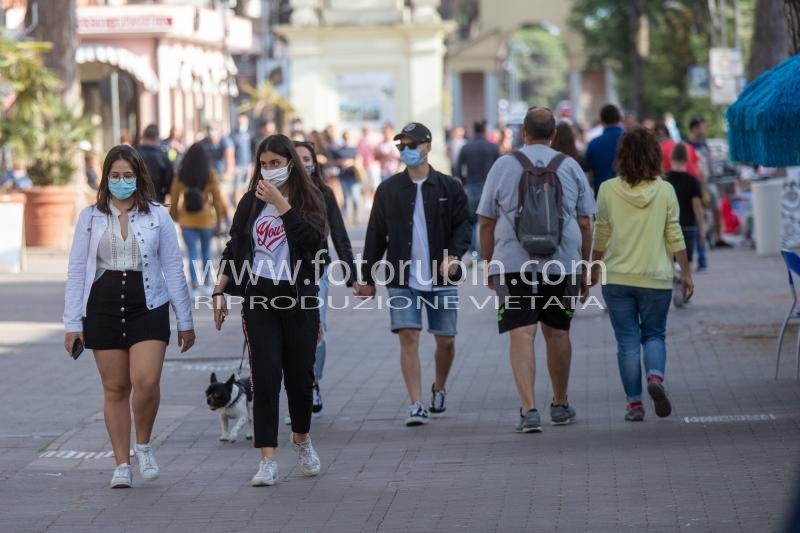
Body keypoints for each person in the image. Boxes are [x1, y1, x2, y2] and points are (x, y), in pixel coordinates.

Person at [63, 144, 195, 488]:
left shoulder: (157, 215)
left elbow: (173, 268)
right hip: (103, 304)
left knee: (146, 381)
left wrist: (185, 320)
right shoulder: (90, 217)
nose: (122, 181)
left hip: (148, 302)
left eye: (128, 175)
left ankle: (144, 444)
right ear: (106, 178)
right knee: (115, 387)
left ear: (139, 177)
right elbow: (77, 270)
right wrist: (72, 323)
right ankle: (121, 464)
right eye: (115, 175)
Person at [211, 134, 325, 486]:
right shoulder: (250, 202)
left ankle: (302, 440)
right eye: (264, 164)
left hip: (299, 299)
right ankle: (267, 458)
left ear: (291, 162)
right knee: (265, 377)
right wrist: (220, 289)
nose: (269, 170)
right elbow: (234, 247)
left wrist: (282, 204)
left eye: (276, 163)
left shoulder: (310, 199)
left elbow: (313, 244)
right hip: (259, 297)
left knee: (301, 380)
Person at [478, 106, 595, 433]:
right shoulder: (570, 166)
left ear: (523, 133)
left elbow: (486, 222)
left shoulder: (503, 165)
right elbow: (586, 222)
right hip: (562, 263)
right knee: (558, 331)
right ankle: (559, 403)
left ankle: (528, 410)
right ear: (554, 134)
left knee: (521, 331)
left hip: (513, 264)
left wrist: (490, 264)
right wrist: (584, 267)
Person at [356, 122, 471, 427]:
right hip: (402, 277)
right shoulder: (389, 189)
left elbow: (464, 225)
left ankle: (439, 387)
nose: (406, 151)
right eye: (401, 146)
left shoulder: (449, 187)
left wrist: (455, 256)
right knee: (408, 336)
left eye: (412, 145)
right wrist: (366, 277)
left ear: (428, 146)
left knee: (445, 340)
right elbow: (375, 234)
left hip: (442, 277)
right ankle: (416, 403)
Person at [590, 127, 693, 422]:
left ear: (621, 156)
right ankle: (656, 379)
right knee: (654, 335)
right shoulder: (666, 190)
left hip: (618, 278)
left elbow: (601, 234)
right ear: (654, 156)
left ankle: (634, 405)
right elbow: (675, 234)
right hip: (656, 278)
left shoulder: (608, 189)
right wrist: (685, 273)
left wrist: (593, 269)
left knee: (626, 342)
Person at [294, 140, 356, 415]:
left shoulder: (324, 194)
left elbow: (340, 235)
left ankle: (312, 384)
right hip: (280, 276)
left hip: (317, 271)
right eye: (296, 159)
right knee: (289, 334)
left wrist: (352, 275)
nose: (302, 164)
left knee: (317, 330)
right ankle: (297, 388)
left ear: (314, 163)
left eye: (307, 159)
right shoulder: (271, 194)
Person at [169, 142, 228, 295]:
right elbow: (216, 199)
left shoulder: (181, 174)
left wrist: (174, 216)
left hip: (186, 219)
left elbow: (174, 198)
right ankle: (208, 284)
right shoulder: (210, 173)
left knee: (192, 253)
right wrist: (219, 220)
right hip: (206, 219)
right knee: (207, 252)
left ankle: (194, 286)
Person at [455, 120, 500, 262]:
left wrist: (464, 182)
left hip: (471, 185)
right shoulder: (492, 147)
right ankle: (484, 255)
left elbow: (457, 169)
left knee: (472, 220)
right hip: (489, 186)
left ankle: (472, 252)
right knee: (487, 221)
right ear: (484, 130)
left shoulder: (466, 147)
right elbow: (499, 168)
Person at [686, 116, 728, 250]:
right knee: (699, 211)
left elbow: (709, 162)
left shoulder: (703, 144)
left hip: (708, 181)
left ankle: (718, 237)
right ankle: (701, 238)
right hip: (694, 182)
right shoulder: (687, 145)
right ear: (694, 129)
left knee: (716, 207)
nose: (703, 130)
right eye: (701, 127)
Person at [664, 143, 706, 272]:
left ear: (671, 157)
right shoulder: (692, 180)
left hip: (667, 227)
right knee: (686, 265)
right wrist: (702, 229)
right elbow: (697, 207)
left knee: (669, 263)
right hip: (688, 227)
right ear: (687, 159)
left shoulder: (664, 180)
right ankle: (683, 288)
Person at [585, 104, 624, 195]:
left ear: (601, 120)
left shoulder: (594, 144)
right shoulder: (633, 140)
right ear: (620, 118)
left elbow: (589, 171)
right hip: (629, 192)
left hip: (602, 192)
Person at [200, 121, 235, 208]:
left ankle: (228, 218)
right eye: (209, 129)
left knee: (222, 195)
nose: (211, 131)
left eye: (213, 129)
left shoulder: (225, 141)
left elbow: (229, 157)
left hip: (222, 174)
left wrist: (229, 173)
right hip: (208, 175)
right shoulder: (203, 143)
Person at [136, 124, 173, 204]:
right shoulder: (163, 157)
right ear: (157, 138)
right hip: (157, 199)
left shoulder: (134, 155)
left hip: (137, 200)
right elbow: (169, 180)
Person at [231, 114, 254, 203]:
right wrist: (233, 166)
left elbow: (251, 151)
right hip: (237, 166)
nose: (242, 124)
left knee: (246, 188)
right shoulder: (233, 136)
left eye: (244, 122)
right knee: (237, 189)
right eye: (240, 122)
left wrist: (251, 165)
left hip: (247, 166)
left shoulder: (249, 135)